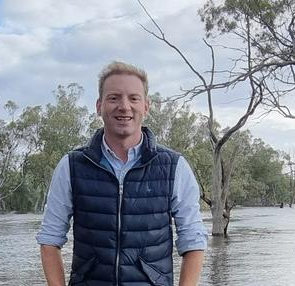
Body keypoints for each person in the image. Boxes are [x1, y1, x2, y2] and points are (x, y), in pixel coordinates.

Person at [36, 61, 207, 286]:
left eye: (133, 98)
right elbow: (50, 239)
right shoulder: (72, 166)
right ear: (99, 106)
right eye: (114, 97)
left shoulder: (174, 167)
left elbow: (193, 240)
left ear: (146, 106)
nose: (124, 106)